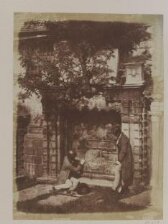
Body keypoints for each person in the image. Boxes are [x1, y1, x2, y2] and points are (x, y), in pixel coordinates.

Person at [112, 124, 134, 194]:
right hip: (123, 159)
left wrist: (118, 160)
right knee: (120, 173)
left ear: (118, 133)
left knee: (118, 171)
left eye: (115, 134)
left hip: (126, 160)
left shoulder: (124, 139)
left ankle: (115, 188)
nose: (115, 136)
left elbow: (123, 151)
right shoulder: (120, 137)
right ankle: (119, 189)